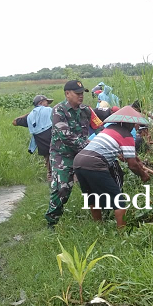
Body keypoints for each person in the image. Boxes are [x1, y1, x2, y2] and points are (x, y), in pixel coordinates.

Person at [73, 106, 151, 229]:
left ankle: (98, 226)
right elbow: (132, 165)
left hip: (78, 161)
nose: (137, 126)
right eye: (136, 124)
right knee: (119, 201)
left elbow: (133, 156)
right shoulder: (126, 135)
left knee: (92, 197)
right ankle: (122, 233)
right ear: (130, 124)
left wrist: (139, 163)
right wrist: (143, 175)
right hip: (95, 163)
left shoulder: (109, 129)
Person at [45, 81, 102, 227]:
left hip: (83, 154)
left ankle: (101, 217)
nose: (81, 96)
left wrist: (106, 142)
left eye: (82, 93)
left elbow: (99, 127)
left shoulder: (86, 110)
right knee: (62, 188)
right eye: (77, 93)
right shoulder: (58, 111)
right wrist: (89, 146)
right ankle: (52, 222)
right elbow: (66, 136)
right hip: (62, 155)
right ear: (67, 94)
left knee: (94, 184)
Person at [12, 94, 54, 180]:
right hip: (55, 143)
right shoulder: (49, 110)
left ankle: (50, 179)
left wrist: (32, 112)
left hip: (43, 146)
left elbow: (14, 122)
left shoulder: (30, 117)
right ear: (41, 103)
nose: (48, 104)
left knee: (49, 164)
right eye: (46, 102)